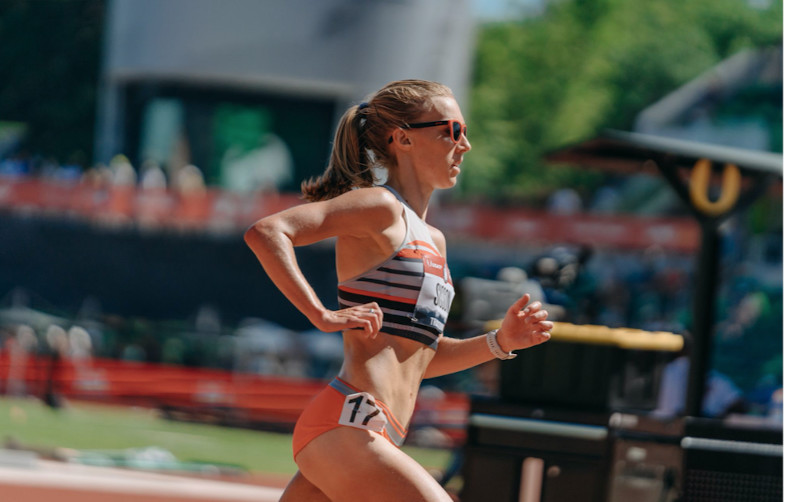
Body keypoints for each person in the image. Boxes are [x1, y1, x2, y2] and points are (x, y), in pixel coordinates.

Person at [244, 79, 553, 502]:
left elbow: (418, 358)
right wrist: (321, 314)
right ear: (403, 138)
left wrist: (500, 342)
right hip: (349, 426)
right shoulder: (380, 206)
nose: (464, 145)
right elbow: (268, 232)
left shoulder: (434, 239)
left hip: (375, 431)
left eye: (465, 132)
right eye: (452, 131)